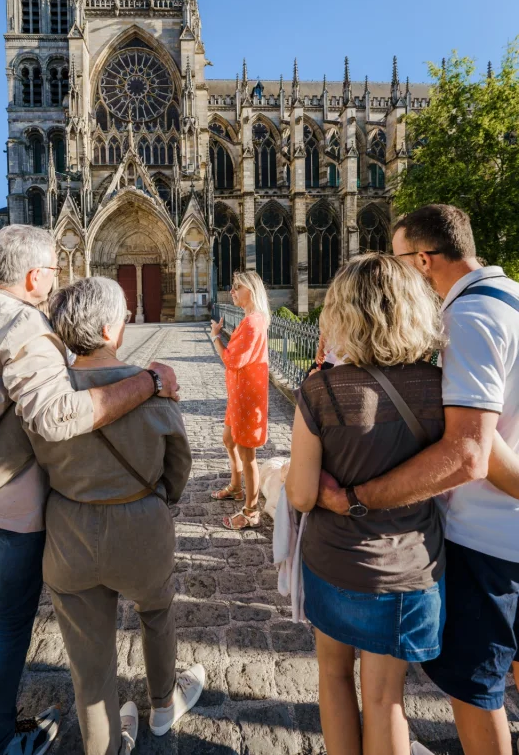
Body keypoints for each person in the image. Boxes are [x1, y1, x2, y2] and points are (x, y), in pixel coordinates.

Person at [0, 226, 180, 755]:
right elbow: (57, 417)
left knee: (0, 609)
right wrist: (148, 383)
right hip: (12, 503)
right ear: (35, 276)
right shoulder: (25, 325)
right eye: (54, 272)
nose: (56, 283)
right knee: (12, 626)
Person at [317, 205, 519, 755]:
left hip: (487, 539)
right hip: (505, 537)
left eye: (399, 260)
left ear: (424, 261)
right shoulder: (511, 298)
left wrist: (357, 498)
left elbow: (470, 453)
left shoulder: (470, 319)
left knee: (478, 691)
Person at [27, 277, 204, 755]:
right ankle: (163, 706)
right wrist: (153, 501)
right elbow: (178, 468)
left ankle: (104, 747)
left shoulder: (44, 399)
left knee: (90, 665)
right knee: (157, 613)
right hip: (140, 527)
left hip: (69, 534)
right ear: (110, 329)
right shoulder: (156, 390)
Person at [286, 253, 447, 755]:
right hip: (408, 568)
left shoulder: (320, 392)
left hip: (335, 563)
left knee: (334, 679)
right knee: (385, 700)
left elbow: (300, 494)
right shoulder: (439, 387)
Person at [209, 270, 270, 530]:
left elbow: (233, 360)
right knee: (228, 438)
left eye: (237, 287)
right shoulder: (250, 320)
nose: (232, 291)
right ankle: (235, 487)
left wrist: (215, 337)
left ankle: (251, 510)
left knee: (248, 456)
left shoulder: (253, 322)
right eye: (232, 287)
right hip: (239, 392)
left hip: (247, 396)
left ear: (251, 291)